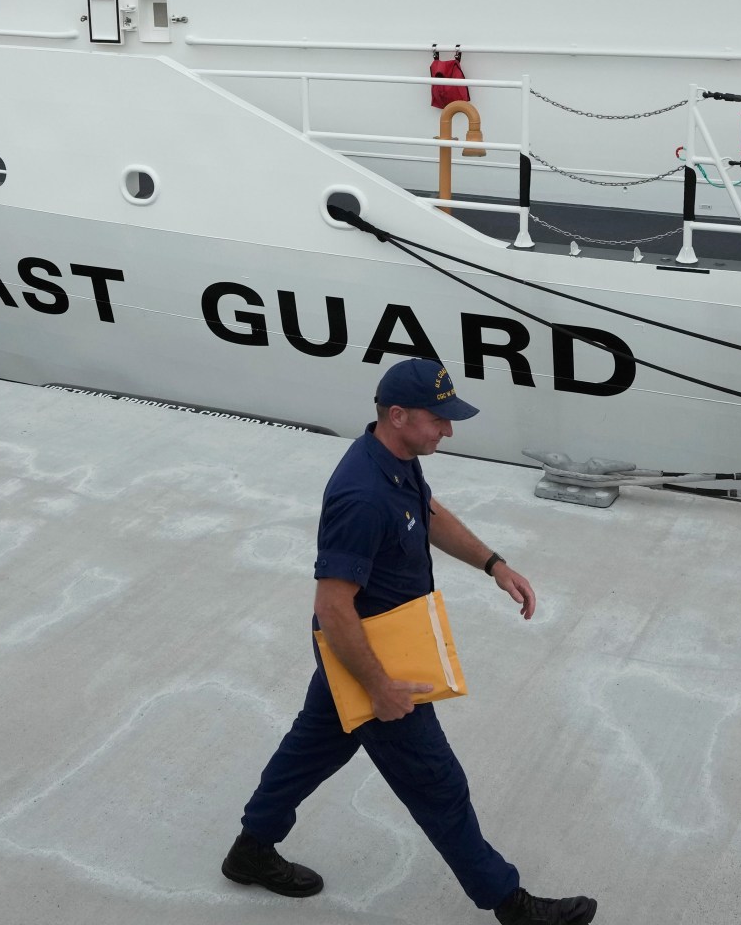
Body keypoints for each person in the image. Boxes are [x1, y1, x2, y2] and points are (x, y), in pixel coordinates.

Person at [222, 358, 597, 924]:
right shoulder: (362, 497)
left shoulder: (394, 459)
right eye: (437, 420)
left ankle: (250, 849)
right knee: (437, 783)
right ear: (397, 416)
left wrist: (493, 563)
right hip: (374, 659)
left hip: (367, 650)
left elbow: (428, 512)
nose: (447, 430)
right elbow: (331, 607)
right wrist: (380, 687)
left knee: (312, 747)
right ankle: (511, 906)